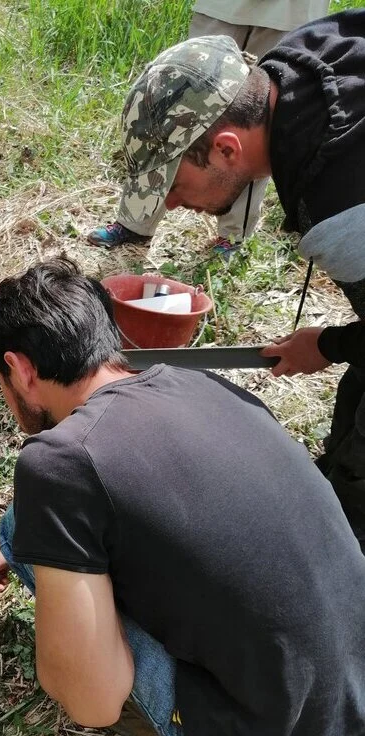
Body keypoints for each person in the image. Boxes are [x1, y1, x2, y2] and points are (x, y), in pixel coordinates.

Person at [0, 259, 365, 736]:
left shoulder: (58, 460)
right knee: (40, 529)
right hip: (355, 700)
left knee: (46, 552)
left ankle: (166, 729)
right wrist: (16, 541)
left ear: (21, 369)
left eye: (1, 385)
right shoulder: (199, 383)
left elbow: (90, 702)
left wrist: (37, 564)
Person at [98, 11, 365, 541]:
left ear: (225, 147)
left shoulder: (340, 206)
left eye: (173, 184)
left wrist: (332, 345)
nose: (171, 204)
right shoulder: (299, 58)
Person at [87, 0, 328, 254]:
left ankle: (233, 235)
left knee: (258, 125)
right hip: (224, 6)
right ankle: (135, 222)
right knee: (178, 103)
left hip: (289, 9)